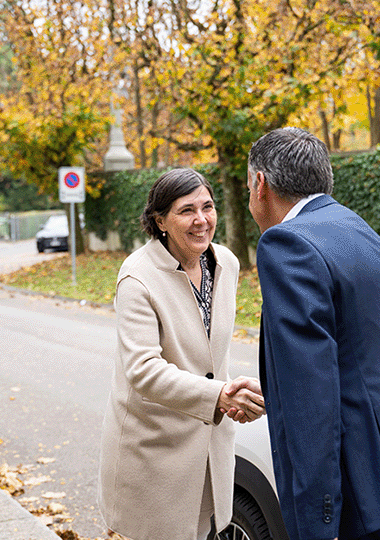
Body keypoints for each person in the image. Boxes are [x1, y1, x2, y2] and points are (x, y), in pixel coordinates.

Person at [247, 127, 380, 540]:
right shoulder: (358, 229)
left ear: (261, 184)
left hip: (360, 495)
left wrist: (318, 523)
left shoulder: (286, 244)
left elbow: (309, 399)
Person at [102, 168, 265, 540]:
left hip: (210, 446)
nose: (201, 220)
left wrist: (231, 395)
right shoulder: (137, 278)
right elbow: (142, 370)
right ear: (160, 221)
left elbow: (207, 355)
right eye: (186, 210)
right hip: (155, 451)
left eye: (207, 207)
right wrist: (219, 395)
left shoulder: (226, 263)